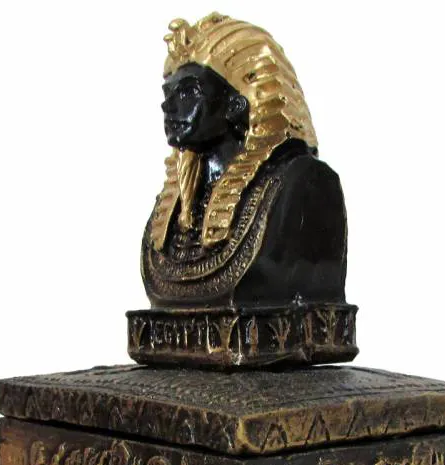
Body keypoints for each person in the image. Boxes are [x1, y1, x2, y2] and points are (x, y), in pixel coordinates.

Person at [141, 13, 347, 309]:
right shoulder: (176, 207)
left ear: (236, 105)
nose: (168, 105)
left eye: (189, 92)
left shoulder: (303, 185)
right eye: (168, 93)